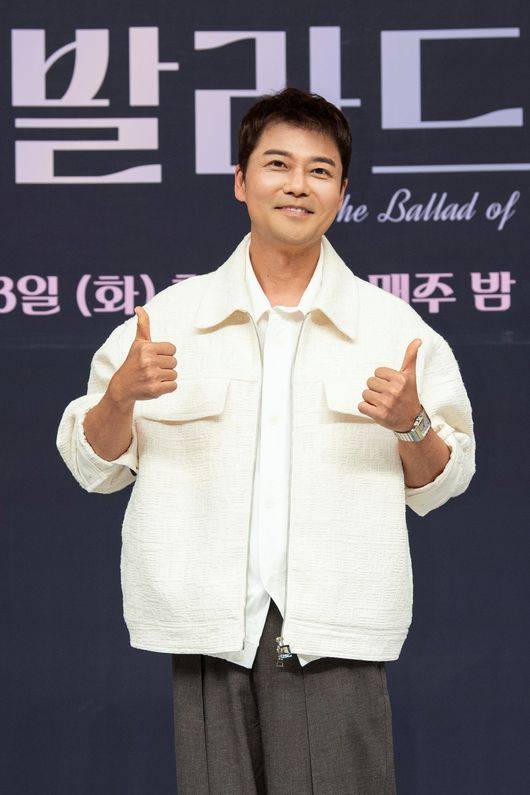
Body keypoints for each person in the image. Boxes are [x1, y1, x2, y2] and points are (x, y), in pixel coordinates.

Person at [56, 86, 476, 794]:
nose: (297, 185)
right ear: (241, 181)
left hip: (334, 624)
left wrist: (412, 423)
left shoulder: (392, 328)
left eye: (320, 170)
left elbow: (446, 479)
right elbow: (91, 465)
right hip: (211, 623)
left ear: (342, 193)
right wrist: (121, 396)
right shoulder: (169, 319)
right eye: (277, 164)